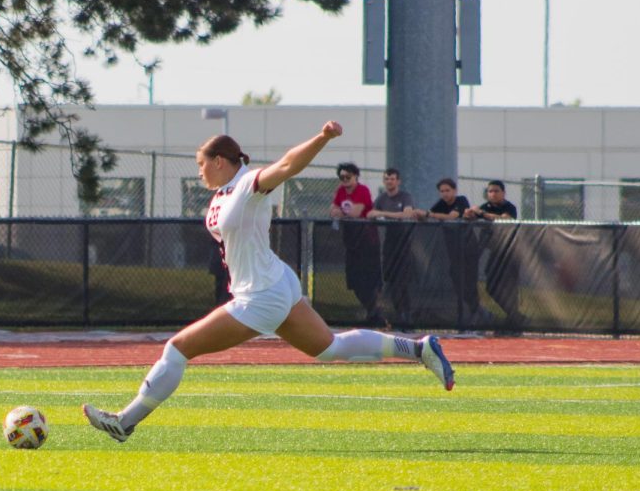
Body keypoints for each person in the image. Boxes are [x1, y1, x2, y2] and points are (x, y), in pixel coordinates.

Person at [82, 123, 455, 443]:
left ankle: (124, 423)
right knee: (330, 348)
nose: (199, 174)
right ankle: (419, 349)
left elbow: (289, 164)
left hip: (260, 296)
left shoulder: (248, 184)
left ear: (219, 161)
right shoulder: (222, 194)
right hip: (274, 283)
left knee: (177, 348)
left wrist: (322, 138)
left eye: (201, 165)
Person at [417, 177, 486, 325]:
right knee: (456, 279)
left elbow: (452, 217)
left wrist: (430, 215)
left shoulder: (461, 200)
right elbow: (428, 215)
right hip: (453, 250)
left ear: (454, 190)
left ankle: (479, 313)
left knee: (469, 281)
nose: (445, 194)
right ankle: (477, 311)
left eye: (447, 190)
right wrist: (419, 214)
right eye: (442, 191)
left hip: (468, 248)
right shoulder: (441, 204)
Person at [330, 162, 386, 326]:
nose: (345, 180)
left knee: (369, 279)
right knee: (354, 281)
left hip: (367, 241)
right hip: (351, 241)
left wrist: (342, 212)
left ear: (356, 176)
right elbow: (332, 210)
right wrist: (342, 212)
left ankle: (376, 314)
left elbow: (355, 212)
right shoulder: (340, 191)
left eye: (348, 177)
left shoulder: (362, 191)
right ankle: (373, 312)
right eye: (342, 177)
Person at [464, 180, 522, 327]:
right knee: (491, 287)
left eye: (496, 191)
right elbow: (471, 217)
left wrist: (482, 213)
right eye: (490, 191)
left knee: (509, 288)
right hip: (494, 253)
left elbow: (506, 219)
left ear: (503, 193)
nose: (493, 194)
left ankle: (515, 319)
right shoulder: (485, 207)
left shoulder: (509, 207)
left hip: (510, 252)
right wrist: (469, 213)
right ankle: (514, 316)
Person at [368, 167, 416, 328]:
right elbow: (371, 214)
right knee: (390, 280)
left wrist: (386, 214)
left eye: (393, 179)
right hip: (388, 245)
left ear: (398, 181)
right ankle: (396, 316)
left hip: (404, 244)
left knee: (402, 281)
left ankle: (406, 316)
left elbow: (408, 214)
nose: (390, 182)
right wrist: (381, 213)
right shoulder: (381, 198)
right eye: (387, 179)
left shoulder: (405, 196)